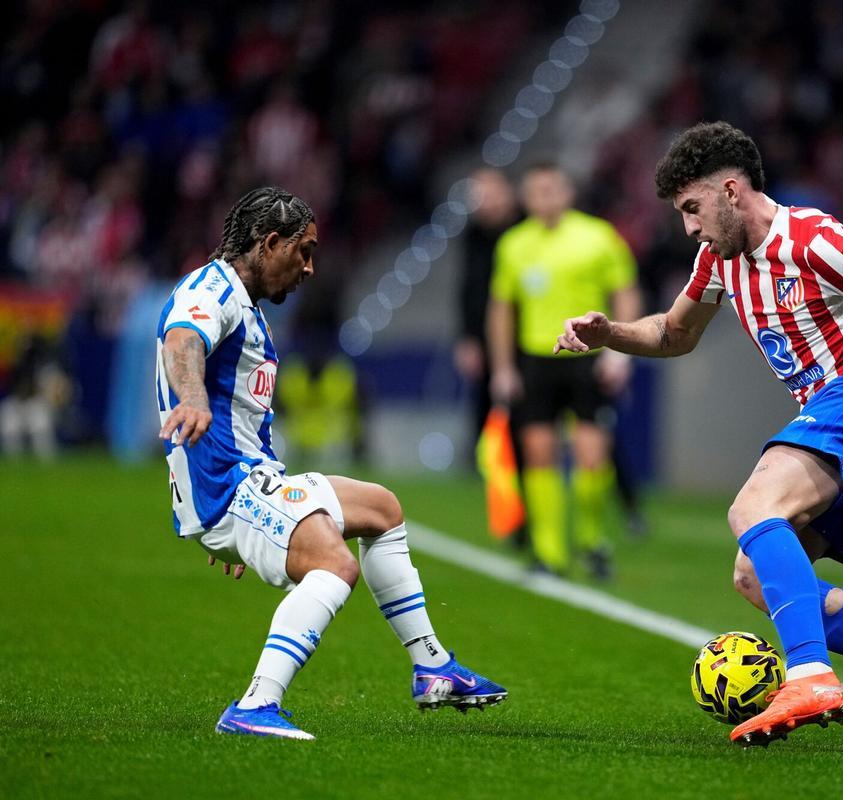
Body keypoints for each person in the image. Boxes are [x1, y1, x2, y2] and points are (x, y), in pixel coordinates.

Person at [555, 122, 843, 750]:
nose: (687, 227)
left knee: (753, 508)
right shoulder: (718, 259)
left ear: (731, 191)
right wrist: (610, 334)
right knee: (754, 576)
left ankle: (812, 676)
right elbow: (675, 334)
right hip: (842, 418)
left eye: (691, 207)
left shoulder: (816, 239)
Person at [156, 187, 505, 740]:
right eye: (304, 251)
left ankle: (433, 667)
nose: (310, 268)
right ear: (269, 244)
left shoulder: (245, 307)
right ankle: (254, 705)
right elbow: (182, 340)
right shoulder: (212, 288)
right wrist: (192, 398)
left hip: (248, 479)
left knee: (382, 509)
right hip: (226, 484)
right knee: (335, 565)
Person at [487, 161, 640, 579]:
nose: (545, 198)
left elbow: (624, 293)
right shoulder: (514, 244)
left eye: (552, 189)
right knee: (539, 455)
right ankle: (549, 552)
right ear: (526, 197)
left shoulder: (598, 237)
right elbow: (502, 309)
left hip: (588, 359)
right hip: (536, 360)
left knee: (592, 457)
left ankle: (592, 540)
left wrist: (618, 352)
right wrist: (502, 367)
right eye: (537, 191)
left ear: (567, 192)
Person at [454, 167, 520, 444]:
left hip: (525, 333)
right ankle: (487, 467)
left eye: (492, 194)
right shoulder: (474, 236)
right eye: (480, 196)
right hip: (483, 333)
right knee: (484, 405)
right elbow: (468, 289)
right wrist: (467, 337)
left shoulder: (525, 230)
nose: (486, 202)